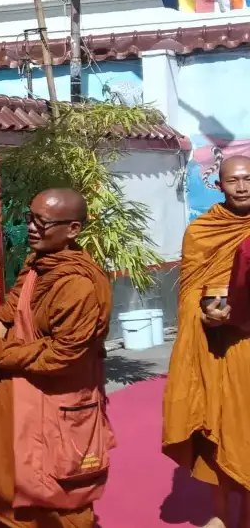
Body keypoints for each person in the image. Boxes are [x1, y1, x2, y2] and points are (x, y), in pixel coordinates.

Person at [0, 189, 115, 527]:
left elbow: (63, 354)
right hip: (21, 400)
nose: (31, 228)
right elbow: (14, 303)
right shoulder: (37, 264)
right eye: (30, 218)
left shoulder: (77, 284)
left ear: (73, 229)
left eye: (42, 222)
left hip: (58, 407)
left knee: (61, 499)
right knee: (11, 491)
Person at [164, 154, 250, 528]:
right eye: (233, 180)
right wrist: (205, 315)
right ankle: (222, 514)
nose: (242, 187)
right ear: (219, 185)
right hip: (218, 347)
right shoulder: (202, 231)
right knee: (219, 425)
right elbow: (188, 291)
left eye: (248, 179)